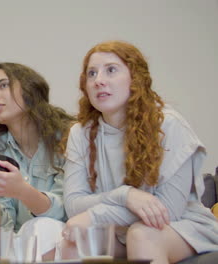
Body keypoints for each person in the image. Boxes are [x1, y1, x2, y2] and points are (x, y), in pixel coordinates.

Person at [62, 41, 218, 263]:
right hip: (120, 230)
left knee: (141, 235)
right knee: (74, 241)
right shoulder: (80, 133)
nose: (99, 80)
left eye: (111, 70)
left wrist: (97, 214)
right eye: (92, 74)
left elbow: (167, 211)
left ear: (135, 78)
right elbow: (73, 204)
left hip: (181, 227)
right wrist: (125, 196)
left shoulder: (169, 125)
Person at [0, 62, 75, 259]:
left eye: (3, 85)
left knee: (39, 228)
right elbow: (5, 224)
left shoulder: (69, 135)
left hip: (62, 237)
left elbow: (67, 211)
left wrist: (23, 192)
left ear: (30, 90)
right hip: (19, 242)